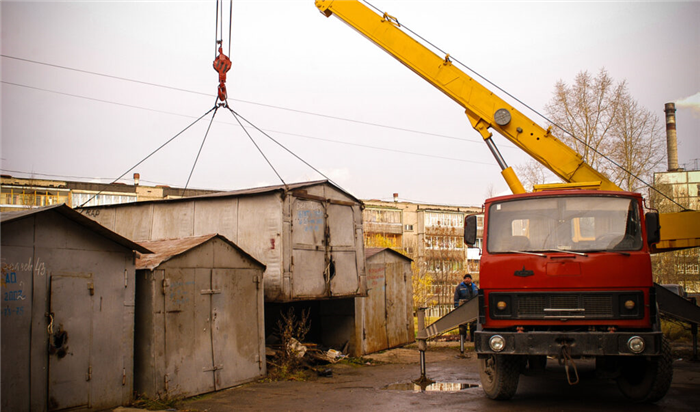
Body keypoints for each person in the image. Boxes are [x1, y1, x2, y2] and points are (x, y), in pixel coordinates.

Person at [454, 273, 479, 344]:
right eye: (466, 278)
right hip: (463, 307)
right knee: (462, 324)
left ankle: (473, 339)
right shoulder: (460, 287)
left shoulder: (475, 286)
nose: (467, 279)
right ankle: (463, 339)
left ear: (471, 279)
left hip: (472, 307)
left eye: (469, 278)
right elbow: (456, 297)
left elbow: (478, 296)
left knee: (474, 324)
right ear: (464, 279)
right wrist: (456, 306)